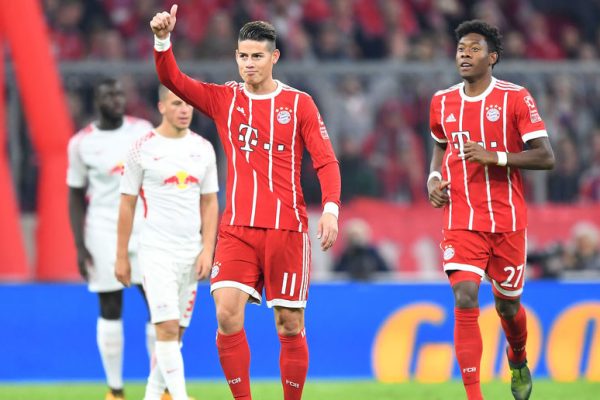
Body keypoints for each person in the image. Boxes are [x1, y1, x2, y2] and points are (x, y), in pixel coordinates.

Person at [150, 5, 341, 400]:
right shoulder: (225, 99)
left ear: (274, 57)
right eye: (243, 56)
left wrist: (331, 209)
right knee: (226, 313)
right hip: (237, 229)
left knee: (289, 324)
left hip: (287, 229)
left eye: (257, 56)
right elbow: (173, 79)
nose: (249, 64)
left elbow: (325, 160)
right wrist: (162, 40)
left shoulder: (299, 104)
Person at [427, 20, 555, 400]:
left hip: (507, 220)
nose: (465, 55)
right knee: (465, 296)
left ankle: (517, 356)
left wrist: (495, 157)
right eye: (461, 49)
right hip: (461, 217)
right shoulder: (442, 102)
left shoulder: (516, 98)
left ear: (493, 57)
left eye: (474, 49)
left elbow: (546, 157)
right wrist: (433, 178)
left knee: (508, 307)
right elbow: (440, 145)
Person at [116, 85, 219, 400]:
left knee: (176, 334)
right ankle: (180, 396)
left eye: (188, 104)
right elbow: (127, 203)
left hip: (191, 253)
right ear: (161, 107)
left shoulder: (203, 149)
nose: (184, 110)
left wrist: (208, 249)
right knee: (167, 328)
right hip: (157, 251)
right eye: (176, 104)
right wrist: (121, 256)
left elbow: (210, 203)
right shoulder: (142, 148)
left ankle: (152, 396)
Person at [67, 78, 154, 400]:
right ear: (97, 101)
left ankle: (159, 386)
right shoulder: (81, 143)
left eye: (119, 94)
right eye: (109, 95)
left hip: (144, 226)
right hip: (102, 229)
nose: (117, 100)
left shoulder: (142, 130)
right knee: (110, 304)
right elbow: (75, 195)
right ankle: (115, 390)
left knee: (158, 304)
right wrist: (79, 246)